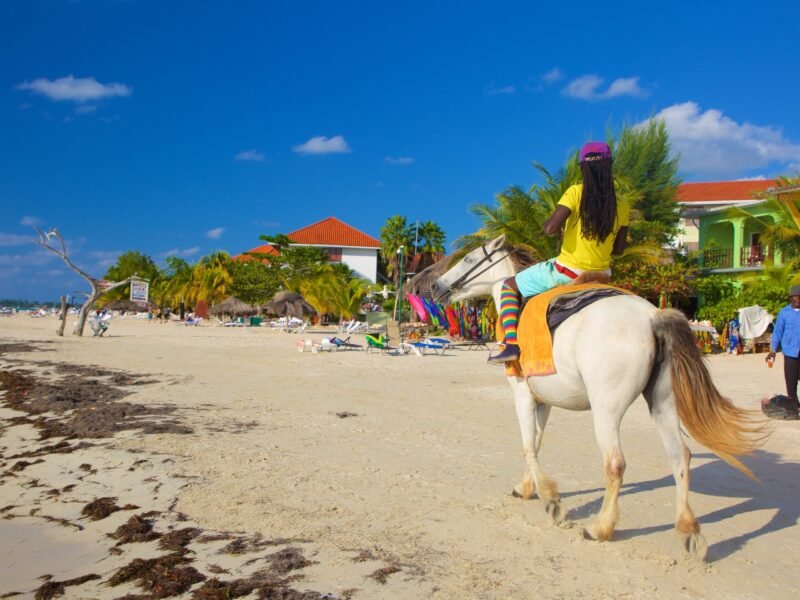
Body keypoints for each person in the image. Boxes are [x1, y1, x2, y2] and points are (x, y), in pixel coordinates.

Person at [489, 141, 629, 364]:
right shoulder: (622, 203)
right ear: (608, 166)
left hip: (568, 271)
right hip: (603, 274)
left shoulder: (575, 192)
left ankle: (511, 344)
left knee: (508, 286)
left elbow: (549, 229)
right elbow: (619, 249)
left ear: (583, 167)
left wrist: (560, 229)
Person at [766, 285, 800, 410]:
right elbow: (777, 333)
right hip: (790, 353)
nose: (798, 299)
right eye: (795, 297)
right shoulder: (784, 313)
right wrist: (773, 350)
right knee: (791, 382)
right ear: (790, 298)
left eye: (799, 297)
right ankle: (794, 407)